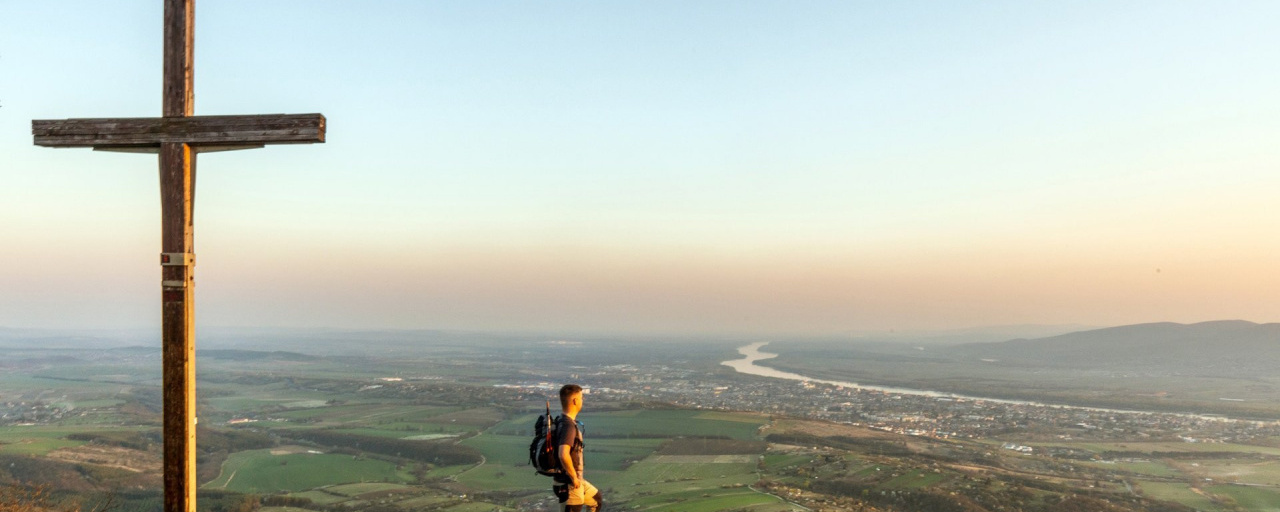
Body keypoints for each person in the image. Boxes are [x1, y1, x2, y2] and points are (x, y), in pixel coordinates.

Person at [554, 384, 603, 512]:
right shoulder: (568, 426)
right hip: (569, 484)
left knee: (596, 500)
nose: (583, 400)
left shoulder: (561, 420)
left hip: (573, 480)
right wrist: (574, 478)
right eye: (581, 397)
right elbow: (563, 454)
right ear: (575, 401)